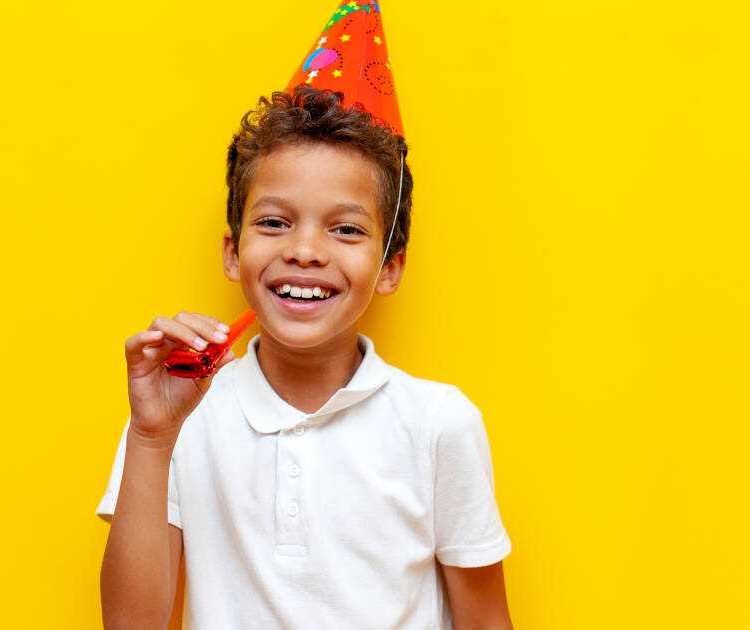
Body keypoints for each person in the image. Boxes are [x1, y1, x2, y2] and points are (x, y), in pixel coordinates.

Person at [97, 3, 512, 628]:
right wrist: (152, 439)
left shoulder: (438, 423)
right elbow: (133, 625)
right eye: (273, 222)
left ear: (390, 267)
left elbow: (486, 620)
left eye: (345, 229)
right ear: (234, 254)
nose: (305, 250)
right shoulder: (181, 415)